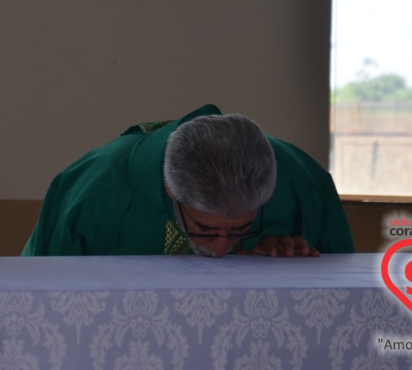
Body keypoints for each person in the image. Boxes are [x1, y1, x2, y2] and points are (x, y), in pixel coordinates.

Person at [22, 104, 353, 258]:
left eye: (241, 230)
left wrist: (291, 257)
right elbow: (42, 302)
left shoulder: (303, 183)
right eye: (205, 230)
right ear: (170, 190)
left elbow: (336, 299)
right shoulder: (92, 194)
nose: (222, 249)